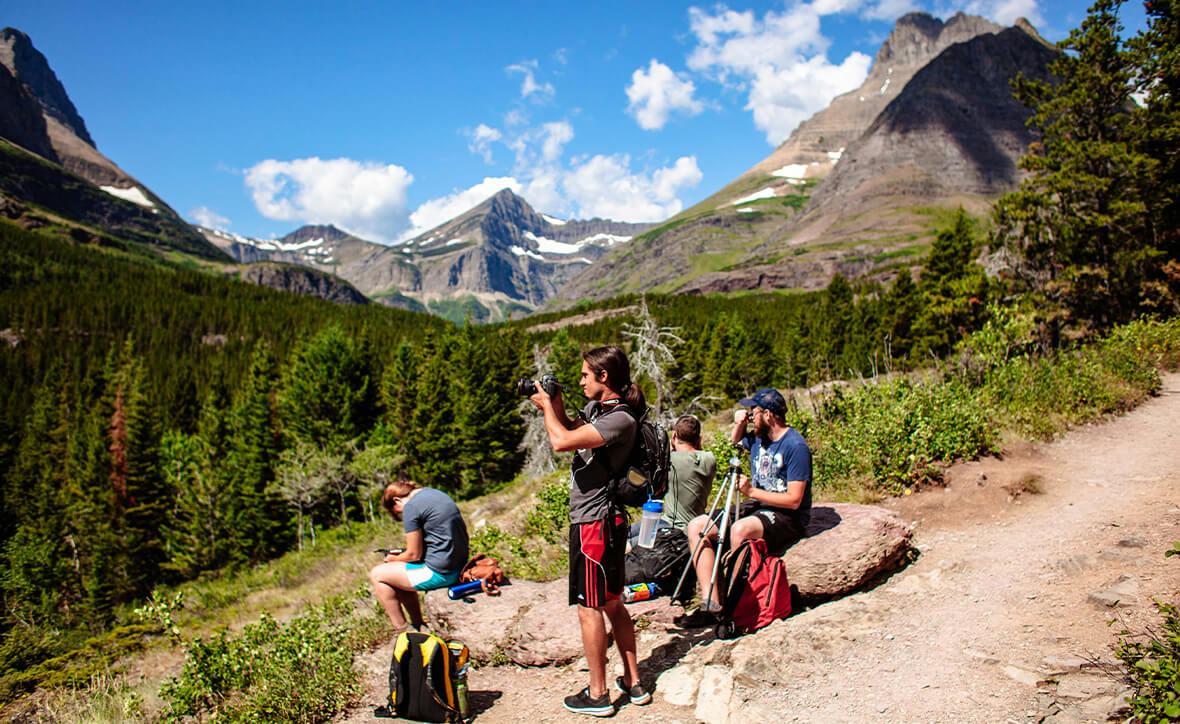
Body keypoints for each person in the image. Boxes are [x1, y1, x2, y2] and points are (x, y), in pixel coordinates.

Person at [529, 345, 650, 716]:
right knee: (613, 602)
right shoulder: (603, 412)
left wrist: (548, 408)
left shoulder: (621, 420)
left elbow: (560, 441)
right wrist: (557, 404)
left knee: (590, 607)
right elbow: (572, 429)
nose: (581, 379)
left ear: (604, 377)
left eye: (585, 374)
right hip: (601, 521)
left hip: (594, 522)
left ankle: (598, 694)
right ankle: (633, 682)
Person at [681, 387, 812, 627]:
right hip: (757, 505)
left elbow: (794, 499)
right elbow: (735, 442)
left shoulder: (795, 446)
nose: (750, 415)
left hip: (786, 515)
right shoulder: (757, 438)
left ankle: (737, 606)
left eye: (754, 411)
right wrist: (740, 424)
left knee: (740, 529)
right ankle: (711, 603)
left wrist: (751, 491)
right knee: (697, 526)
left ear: (769, 415)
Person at [368, 480, 469, 634]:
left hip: (442, 573)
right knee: (398, 571)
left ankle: (403, 630)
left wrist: (392, 558)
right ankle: (418, 624)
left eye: (398, 512)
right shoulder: (435, 493)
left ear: (397, 500)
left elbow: (414, 554)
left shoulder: (411, 506)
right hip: (460, 565)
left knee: (377, 574)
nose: (402, 514)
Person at [627, 414, 716, 544]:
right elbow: (697, 455)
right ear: (699, 438)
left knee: (625, 539)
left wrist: (669, 447)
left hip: (671, 526)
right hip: (691, 525)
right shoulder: (709, 459)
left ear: (674, 435)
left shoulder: (669, 461)